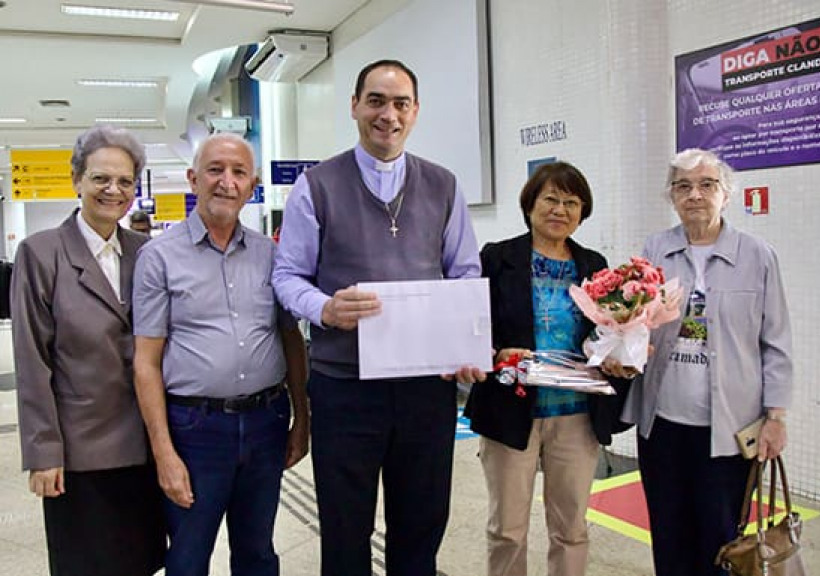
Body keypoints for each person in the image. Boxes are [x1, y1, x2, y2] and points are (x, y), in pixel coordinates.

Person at [272, 59, 485, 576]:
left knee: (422, 522)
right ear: (354, 106)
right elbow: (286, 276)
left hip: (424, 390)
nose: (387, 115)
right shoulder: (316, 186)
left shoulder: (444, 185)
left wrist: (463, 344)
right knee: (345, 530)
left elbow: (465, 271)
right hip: (345, 387)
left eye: (400, 103)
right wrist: (323, 307)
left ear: (415, 113)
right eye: (376, 101)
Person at [132, 132, 309, 576]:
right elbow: (146, 362)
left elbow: (290, 339)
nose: (226, 182)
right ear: (193, 179)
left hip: (266, 421)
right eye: (215, 170)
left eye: (238, 173)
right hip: (195, 430)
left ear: (251, 187)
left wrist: (302, 420)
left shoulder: (272, 256)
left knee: (258, 553)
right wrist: (164, 454)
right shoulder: (159, 258)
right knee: (189, 557)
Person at [621, 148, 793, 576]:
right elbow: (635, 323)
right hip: (661, 426)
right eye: (683, 186)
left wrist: (776, 416)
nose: (694, 195)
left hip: (730, 432)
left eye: (706, 185)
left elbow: (776, 343)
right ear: (672, 197)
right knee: (668, 532)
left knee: (722, 539)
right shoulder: (655, 250)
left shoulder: (758, 256)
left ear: (726, 194)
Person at [11, 124, 165, 576]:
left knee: (141, 559)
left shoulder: (146, 252)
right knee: (86, 562)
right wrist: (44, 453)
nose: (113, 190)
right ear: (77, 178)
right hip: (81, 452)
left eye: (125, 181)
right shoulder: (41, 254)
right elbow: (32, 360)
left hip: (144, 443)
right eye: (100, 178)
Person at [463, 162, 631, 576]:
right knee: (508, 528)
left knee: (571, 528)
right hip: (511, 407)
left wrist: (619, 355)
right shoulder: (497, 257)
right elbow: (469, 324)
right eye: (551, 199)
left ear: (582, 211)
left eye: (571, 202)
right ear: (531, 204)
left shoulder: (595, 264)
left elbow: (608, 332)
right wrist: (495, 353)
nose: (560, 210)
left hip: (576, 413)